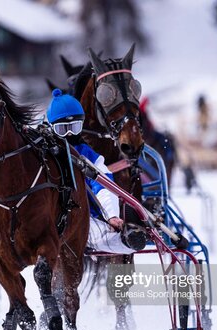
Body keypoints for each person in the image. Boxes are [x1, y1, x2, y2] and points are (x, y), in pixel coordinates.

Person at [46, 88, 146, 253]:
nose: (70, 134)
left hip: (84, 218)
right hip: (49, 218)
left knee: (100, 235)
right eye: (63, 129)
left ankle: (127, 241)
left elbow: (104, 185)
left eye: (75, 127)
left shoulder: (87, 155)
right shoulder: (44, 153)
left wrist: (111, 215)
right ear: (51, 128)